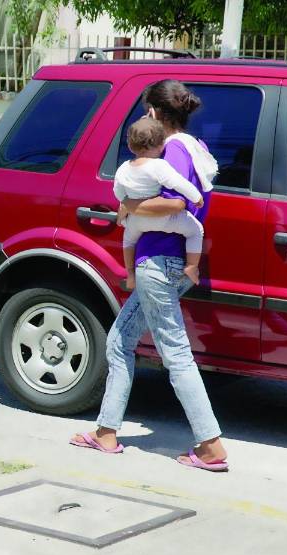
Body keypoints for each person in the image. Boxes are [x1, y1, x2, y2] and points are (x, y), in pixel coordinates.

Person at [70, 79, 230, 472]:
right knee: (119, 341)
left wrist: (128, 206)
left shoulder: (171, 150)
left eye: (146, 111)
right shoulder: (195, 146)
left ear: (154, 112)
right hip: (170, 262)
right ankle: (106, 432)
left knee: (175, 353)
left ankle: (211, 446)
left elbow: (176, 202)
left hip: (158, 262)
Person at [113, 116, 209, 293]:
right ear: (161, 145)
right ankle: (191, 266)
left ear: (130, 146)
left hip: (137, 221)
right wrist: (196, 197)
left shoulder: (123, 168)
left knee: (128, 241)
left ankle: (131, 275)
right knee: (196, 231)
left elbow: (119, 193)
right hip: (163, 218)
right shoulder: (159, 166)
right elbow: (179, 183)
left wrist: (126, 207)